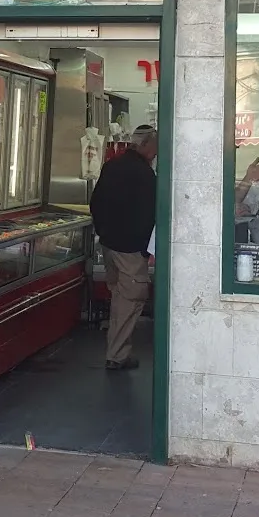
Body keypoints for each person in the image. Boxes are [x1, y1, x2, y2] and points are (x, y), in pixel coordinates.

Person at [89, 124, 157, 371]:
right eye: (155, 146)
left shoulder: (112, 166)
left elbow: (95, 202)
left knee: (119, 297)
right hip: (130, 249)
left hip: (109, 245)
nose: (157, 151)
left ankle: (116, 351)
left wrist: (103, 232)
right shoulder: (145, 174)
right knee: (129, 301)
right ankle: (117, 355)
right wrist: (144, 248)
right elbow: (149, 214)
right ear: (146, 145)